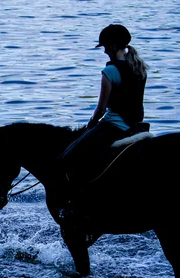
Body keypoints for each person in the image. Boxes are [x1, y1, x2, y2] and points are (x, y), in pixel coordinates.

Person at [58, 24, 149, 222]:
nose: (105, 51)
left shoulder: (110, 71)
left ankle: (75, 207)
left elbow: (100, 109)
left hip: (114, 126)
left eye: (106, 47)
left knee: (68, 158)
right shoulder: (139, 67)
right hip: (135, 125)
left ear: (114, 45)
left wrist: (91, 124)